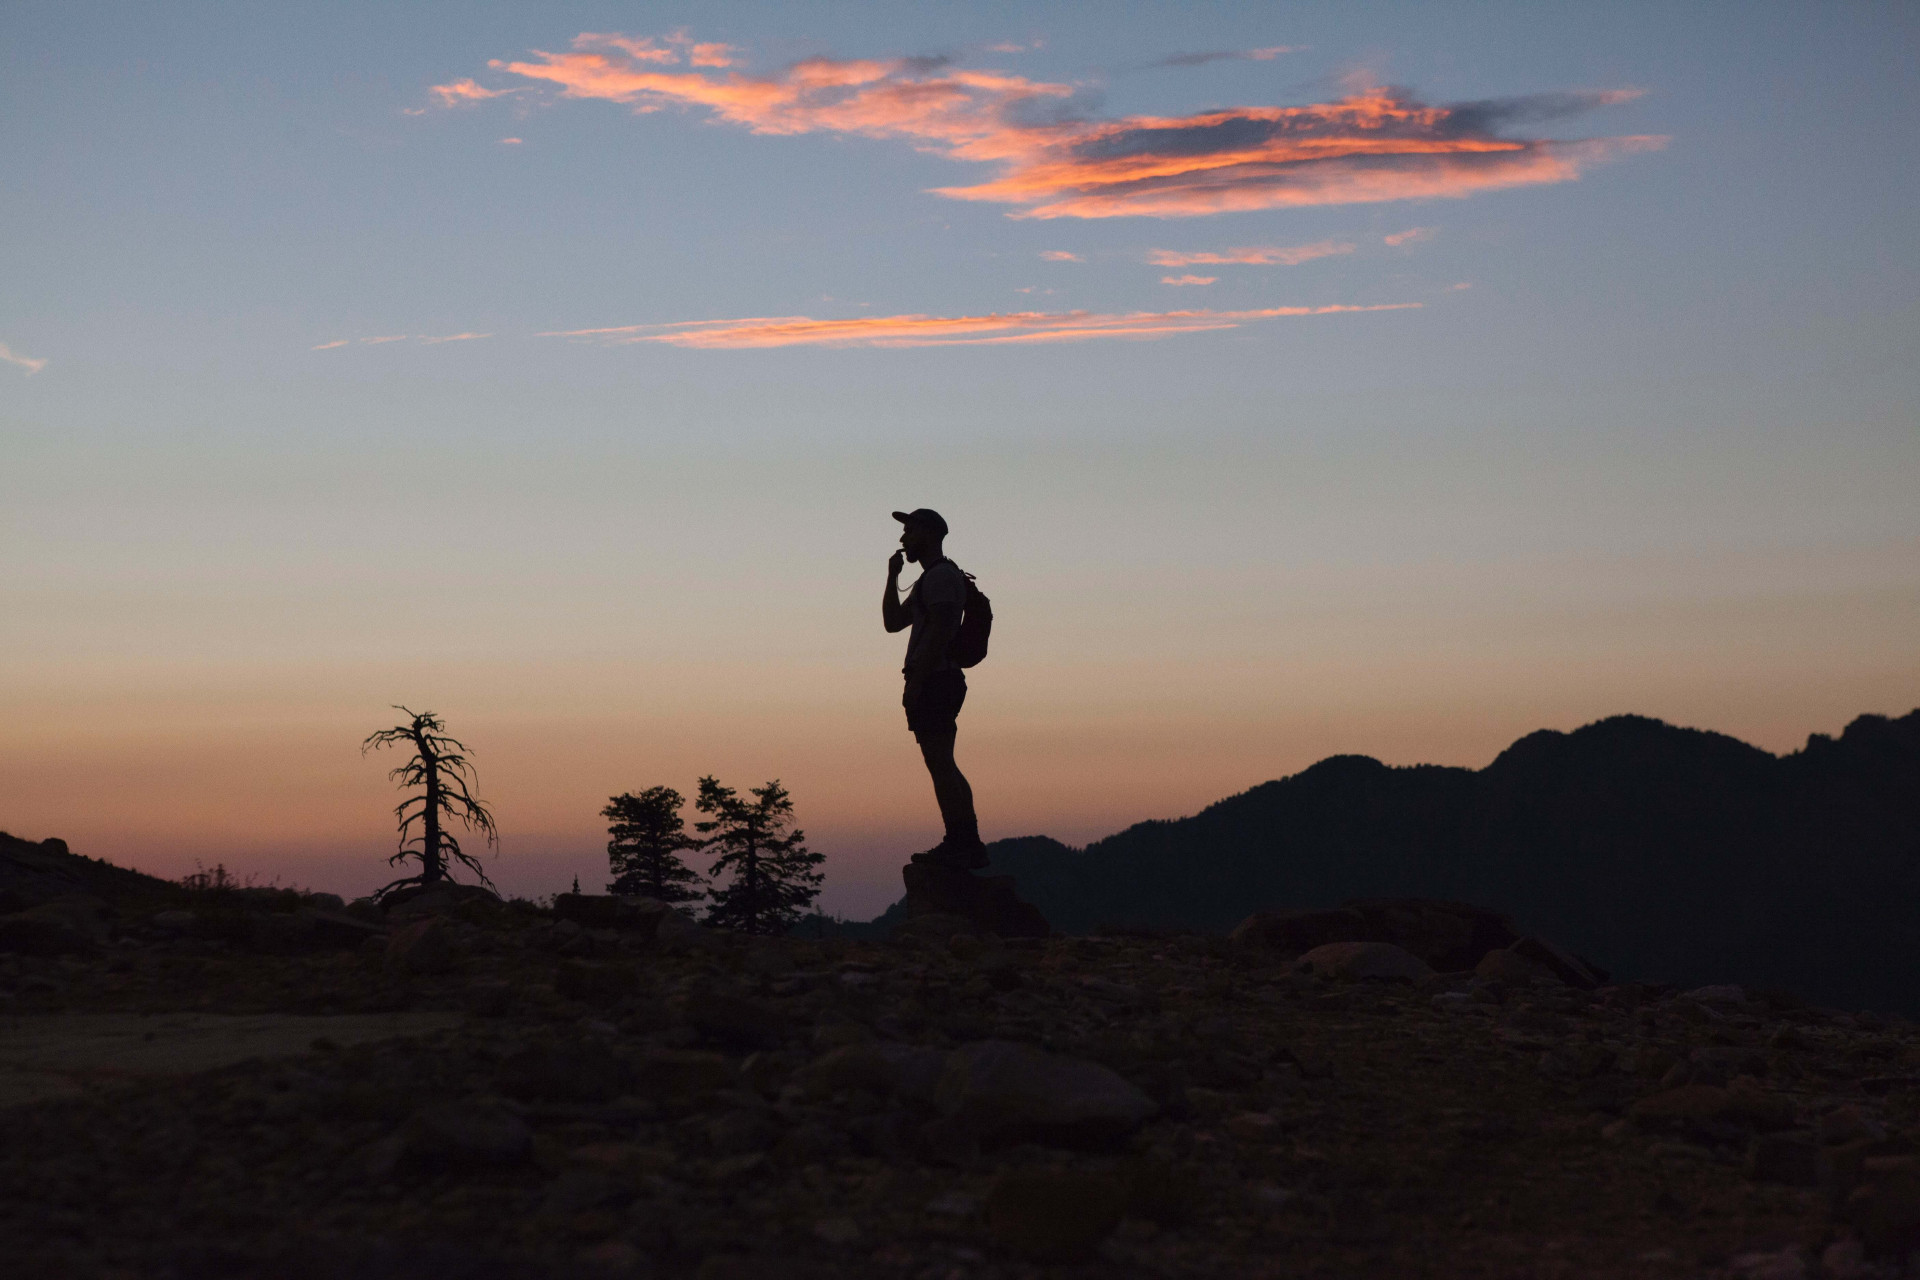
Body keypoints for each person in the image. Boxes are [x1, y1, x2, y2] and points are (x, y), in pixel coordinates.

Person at [883, 508, 986, 869]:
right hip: (938, 679)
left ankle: (962, 841)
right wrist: (892, 576)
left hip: (937, 680)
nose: (903, 539)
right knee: (942, 762)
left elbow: (942, 629)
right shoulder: (932, 579)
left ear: (928, 533)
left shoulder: (941, 577)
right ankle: (964, 839)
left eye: (909, 531)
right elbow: (893, 622)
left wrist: (917, 680)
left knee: (940, 763)